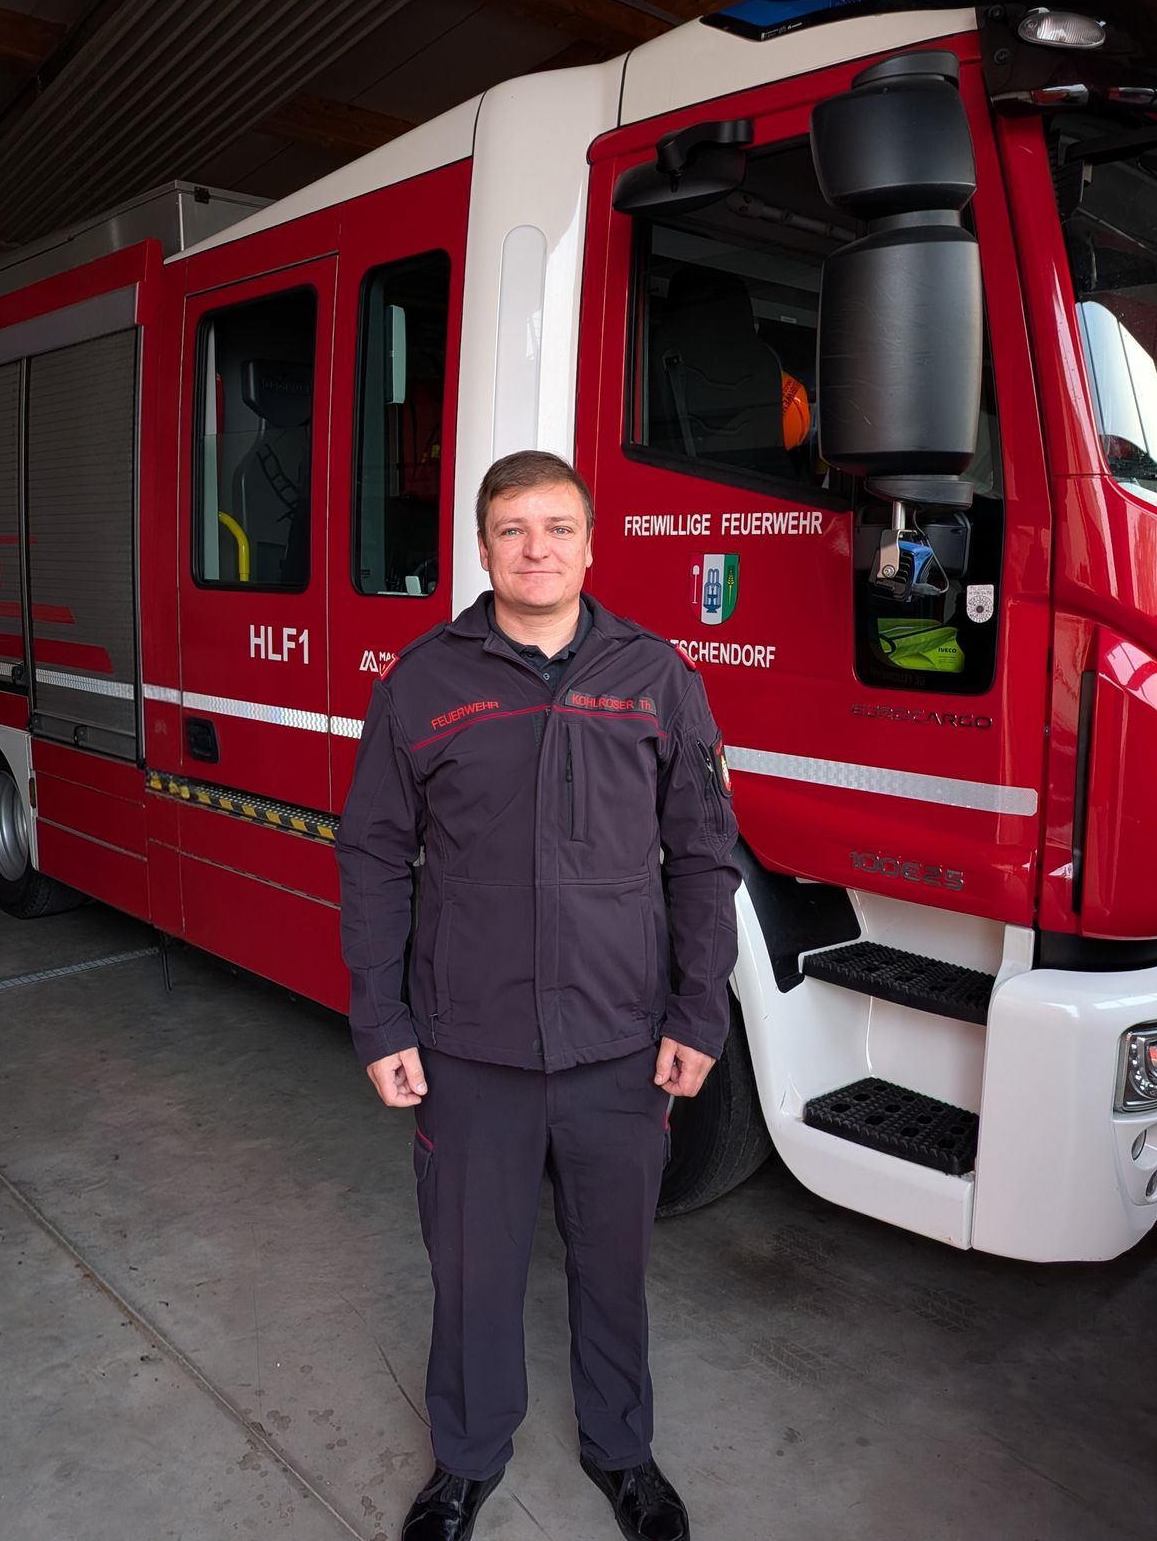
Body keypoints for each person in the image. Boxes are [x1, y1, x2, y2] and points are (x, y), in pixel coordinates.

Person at [337, 450, 740, 1541]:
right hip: (471, 1049)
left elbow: (706, 859)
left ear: (592, 545)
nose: (536, 549)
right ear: (481, 549)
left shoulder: (657, 675)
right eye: (513, 529)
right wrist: (382, 1021)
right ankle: (465, 1462)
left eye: (557, 527)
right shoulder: (422, 682)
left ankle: (623, 1452)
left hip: (619, 1043)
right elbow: (372, 856)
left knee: (615, 1265)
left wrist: (699, 1017)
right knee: (472, 1271)